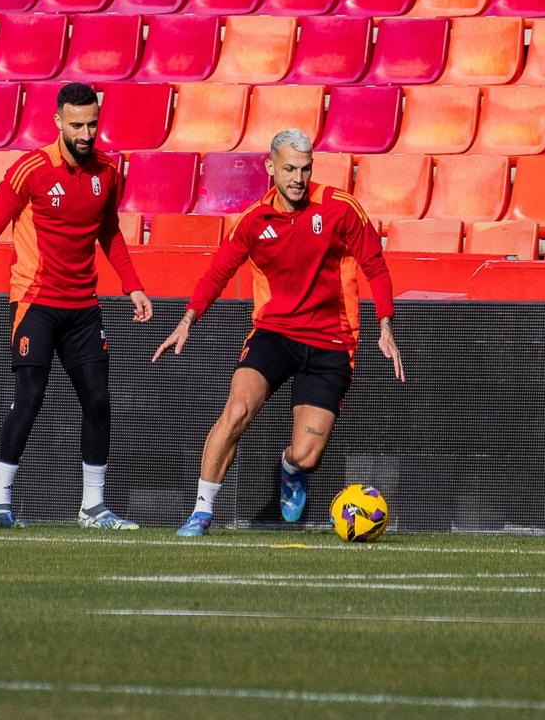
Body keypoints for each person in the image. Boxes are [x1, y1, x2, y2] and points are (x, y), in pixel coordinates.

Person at [152, 128, 405, 537]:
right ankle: (201, 510)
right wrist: (187, 320)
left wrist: (385, 324)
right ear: (271, 167)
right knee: (236, 411)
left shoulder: (340, 208)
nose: (298, 178)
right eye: (289, 168)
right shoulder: (254, 221)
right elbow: (218, 272)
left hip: (330, 342)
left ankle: (290, 469)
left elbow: (374, 264)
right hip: (274, 334)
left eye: (305, 169)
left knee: (306, 457)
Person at [0, 82, 151, 531]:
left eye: (92, 124)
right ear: (57, 121)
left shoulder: (108, 173)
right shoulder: (31, 170)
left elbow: (110, 232)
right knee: (30, 399)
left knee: (98, 401)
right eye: (76, 124)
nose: (85, 133)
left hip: (84, 308)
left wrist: (132, 286)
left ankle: (93, 507)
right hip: (35, 304)